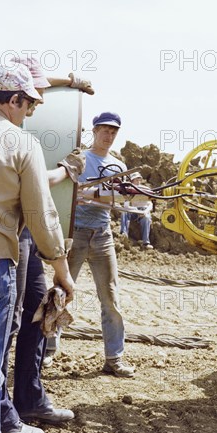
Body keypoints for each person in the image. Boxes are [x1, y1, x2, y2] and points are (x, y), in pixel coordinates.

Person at [0, 64, 75, 433]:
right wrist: (62, 268)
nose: (28, 116)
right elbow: (42, 215)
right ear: (13, 100)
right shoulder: (20, 142)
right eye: (28, 107)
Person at [67, 112, 135, 378]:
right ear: (94, 131)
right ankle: (45, 353)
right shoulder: (80, 158)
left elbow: (117, 200)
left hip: (103, 235)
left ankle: (114, 359)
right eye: (105, 130)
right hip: (76, 234)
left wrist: (93, 193)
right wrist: (89, 193)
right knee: (62, 292)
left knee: (110, 299)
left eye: (113, 132)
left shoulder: (118, 166)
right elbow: (68, 192)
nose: (109, 136)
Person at [119, 172, 154, 249]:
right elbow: (126, 205)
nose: (138, 182)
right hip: (134, 210)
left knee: (146, 218)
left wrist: (145, 212)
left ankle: (146, 243)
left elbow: (150, 204)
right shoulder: (129, 190)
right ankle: (123, 235)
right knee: (124, 212)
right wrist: (134, 209)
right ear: (132, 181)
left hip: (144, 209)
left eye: (139, 179)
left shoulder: (146, 189)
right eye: (135, 180)